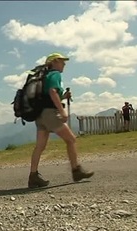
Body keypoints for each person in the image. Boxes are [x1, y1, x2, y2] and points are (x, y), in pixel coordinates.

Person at [28, 53, 94, 188]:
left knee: (40, 147)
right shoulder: (55, 74)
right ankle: (76, 171)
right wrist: (62, 110)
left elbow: (49, 96)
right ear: (55, 61)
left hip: (40, 115)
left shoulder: (44, 77)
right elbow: (52, 92)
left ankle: (33, 176)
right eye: (62, 61)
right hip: (50, 114)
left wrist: (63, 96)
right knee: (71, 139)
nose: (64, 64)